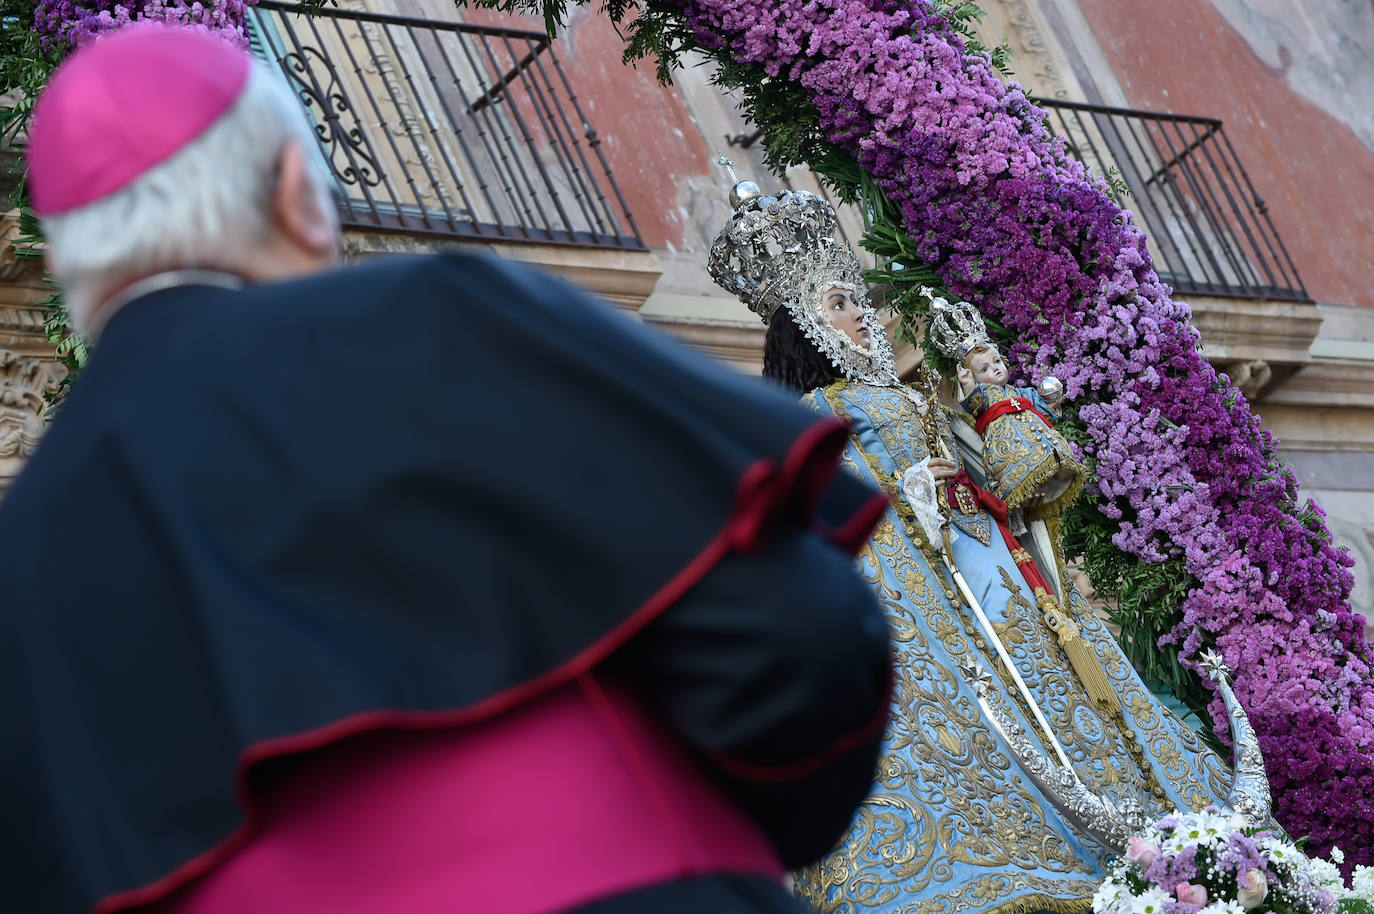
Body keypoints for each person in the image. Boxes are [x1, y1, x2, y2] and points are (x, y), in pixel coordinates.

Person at [0, 25, 896, 914]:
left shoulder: (21, 550)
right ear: (296, 193)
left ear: (73, 260)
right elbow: (799, 636)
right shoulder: (435, 321)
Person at [706, 172, 1234, 914]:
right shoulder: (813, 415)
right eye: (840, 304)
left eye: (856, 300)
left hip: (992, 564)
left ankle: (1139, 833)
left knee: (1062, 684)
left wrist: (988, 403)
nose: (862, 316)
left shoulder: (908, 395)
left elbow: (1011, 479)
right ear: (805, 324)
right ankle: (1035, 861)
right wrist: (909, 494)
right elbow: (830, 511)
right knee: (988, 709)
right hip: (933, 591)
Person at [935, 296, 1085, 521]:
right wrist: (967, 386)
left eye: (997, 362)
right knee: (1017, 469)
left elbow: (1036, 402)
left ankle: (1055, 475)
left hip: (1038, 445)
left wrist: (1050, 398)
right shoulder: (983, 395)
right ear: (974, 378)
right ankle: (1022, 488)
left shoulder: (1017, 392)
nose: (995, 369)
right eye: (984, 369)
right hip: (1008, 449)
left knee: (1055, 461)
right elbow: (972, 403)